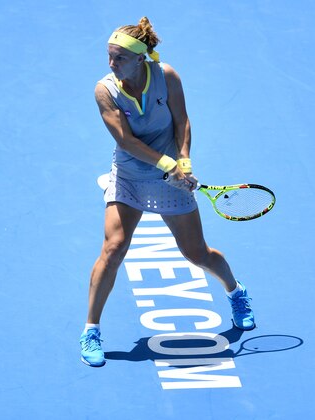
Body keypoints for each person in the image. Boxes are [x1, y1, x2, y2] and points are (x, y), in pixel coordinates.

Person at [80, 17, 255, 367]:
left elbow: (181, 121)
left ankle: (236, 292)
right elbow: (125, 141)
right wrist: (167, 164)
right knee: (113, 248)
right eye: (109, 56)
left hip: (171, 177)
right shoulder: (105, 90)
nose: (111, 64)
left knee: (197, 254)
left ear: (140, 58)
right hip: (129, 176)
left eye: (119, 58)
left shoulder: (167, 76)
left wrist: (184, 162)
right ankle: (91, 330)